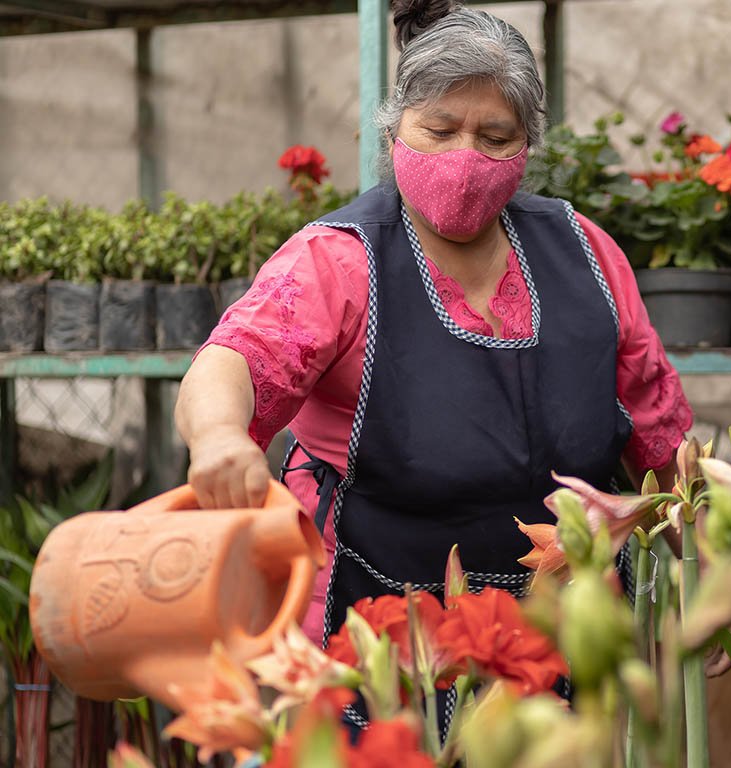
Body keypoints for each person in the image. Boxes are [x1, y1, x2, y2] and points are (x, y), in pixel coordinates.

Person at [174, 0, 693, 674]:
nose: (465, 159)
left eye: (496, 137)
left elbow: (658, 425)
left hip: (560, 628)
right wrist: (216, 436)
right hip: (376, 627)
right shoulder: (340, 259)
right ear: (394, 128)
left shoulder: (583, 251)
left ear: (529, 144)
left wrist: (701, 567)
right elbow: (236, 359)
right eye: (439, 129)